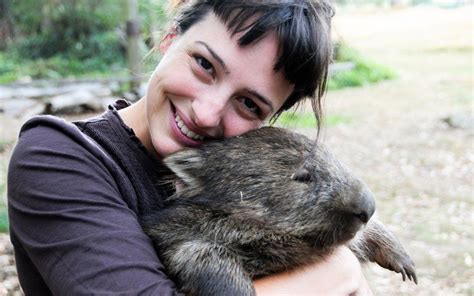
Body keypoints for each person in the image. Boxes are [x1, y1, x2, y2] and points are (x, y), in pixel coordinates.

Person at [7, 0, 372, 295]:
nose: (206, 111)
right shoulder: (56, 159)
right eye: (204, 64)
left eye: (249, 104)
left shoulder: (248, 178)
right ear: (169, 37)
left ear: (268, 120)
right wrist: (337, 271)